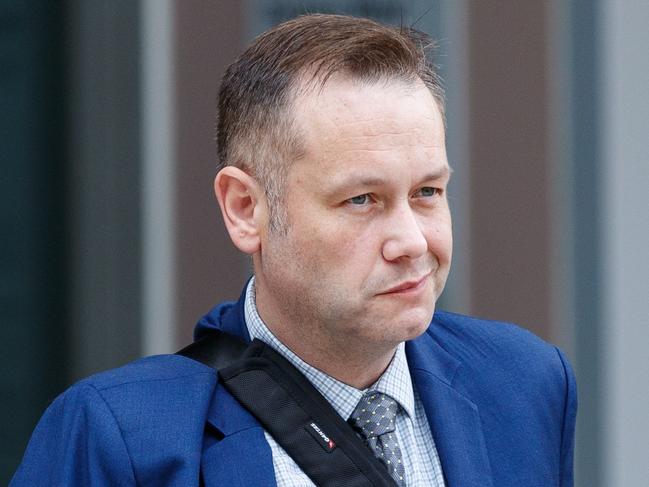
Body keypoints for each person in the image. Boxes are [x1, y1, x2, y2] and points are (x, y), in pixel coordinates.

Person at [11, 14, 576, 487]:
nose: (412, 242)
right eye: (361, 199)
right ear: (245, 209)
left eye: (428, 192)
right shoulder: (122, 434)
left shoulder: (525, 382)